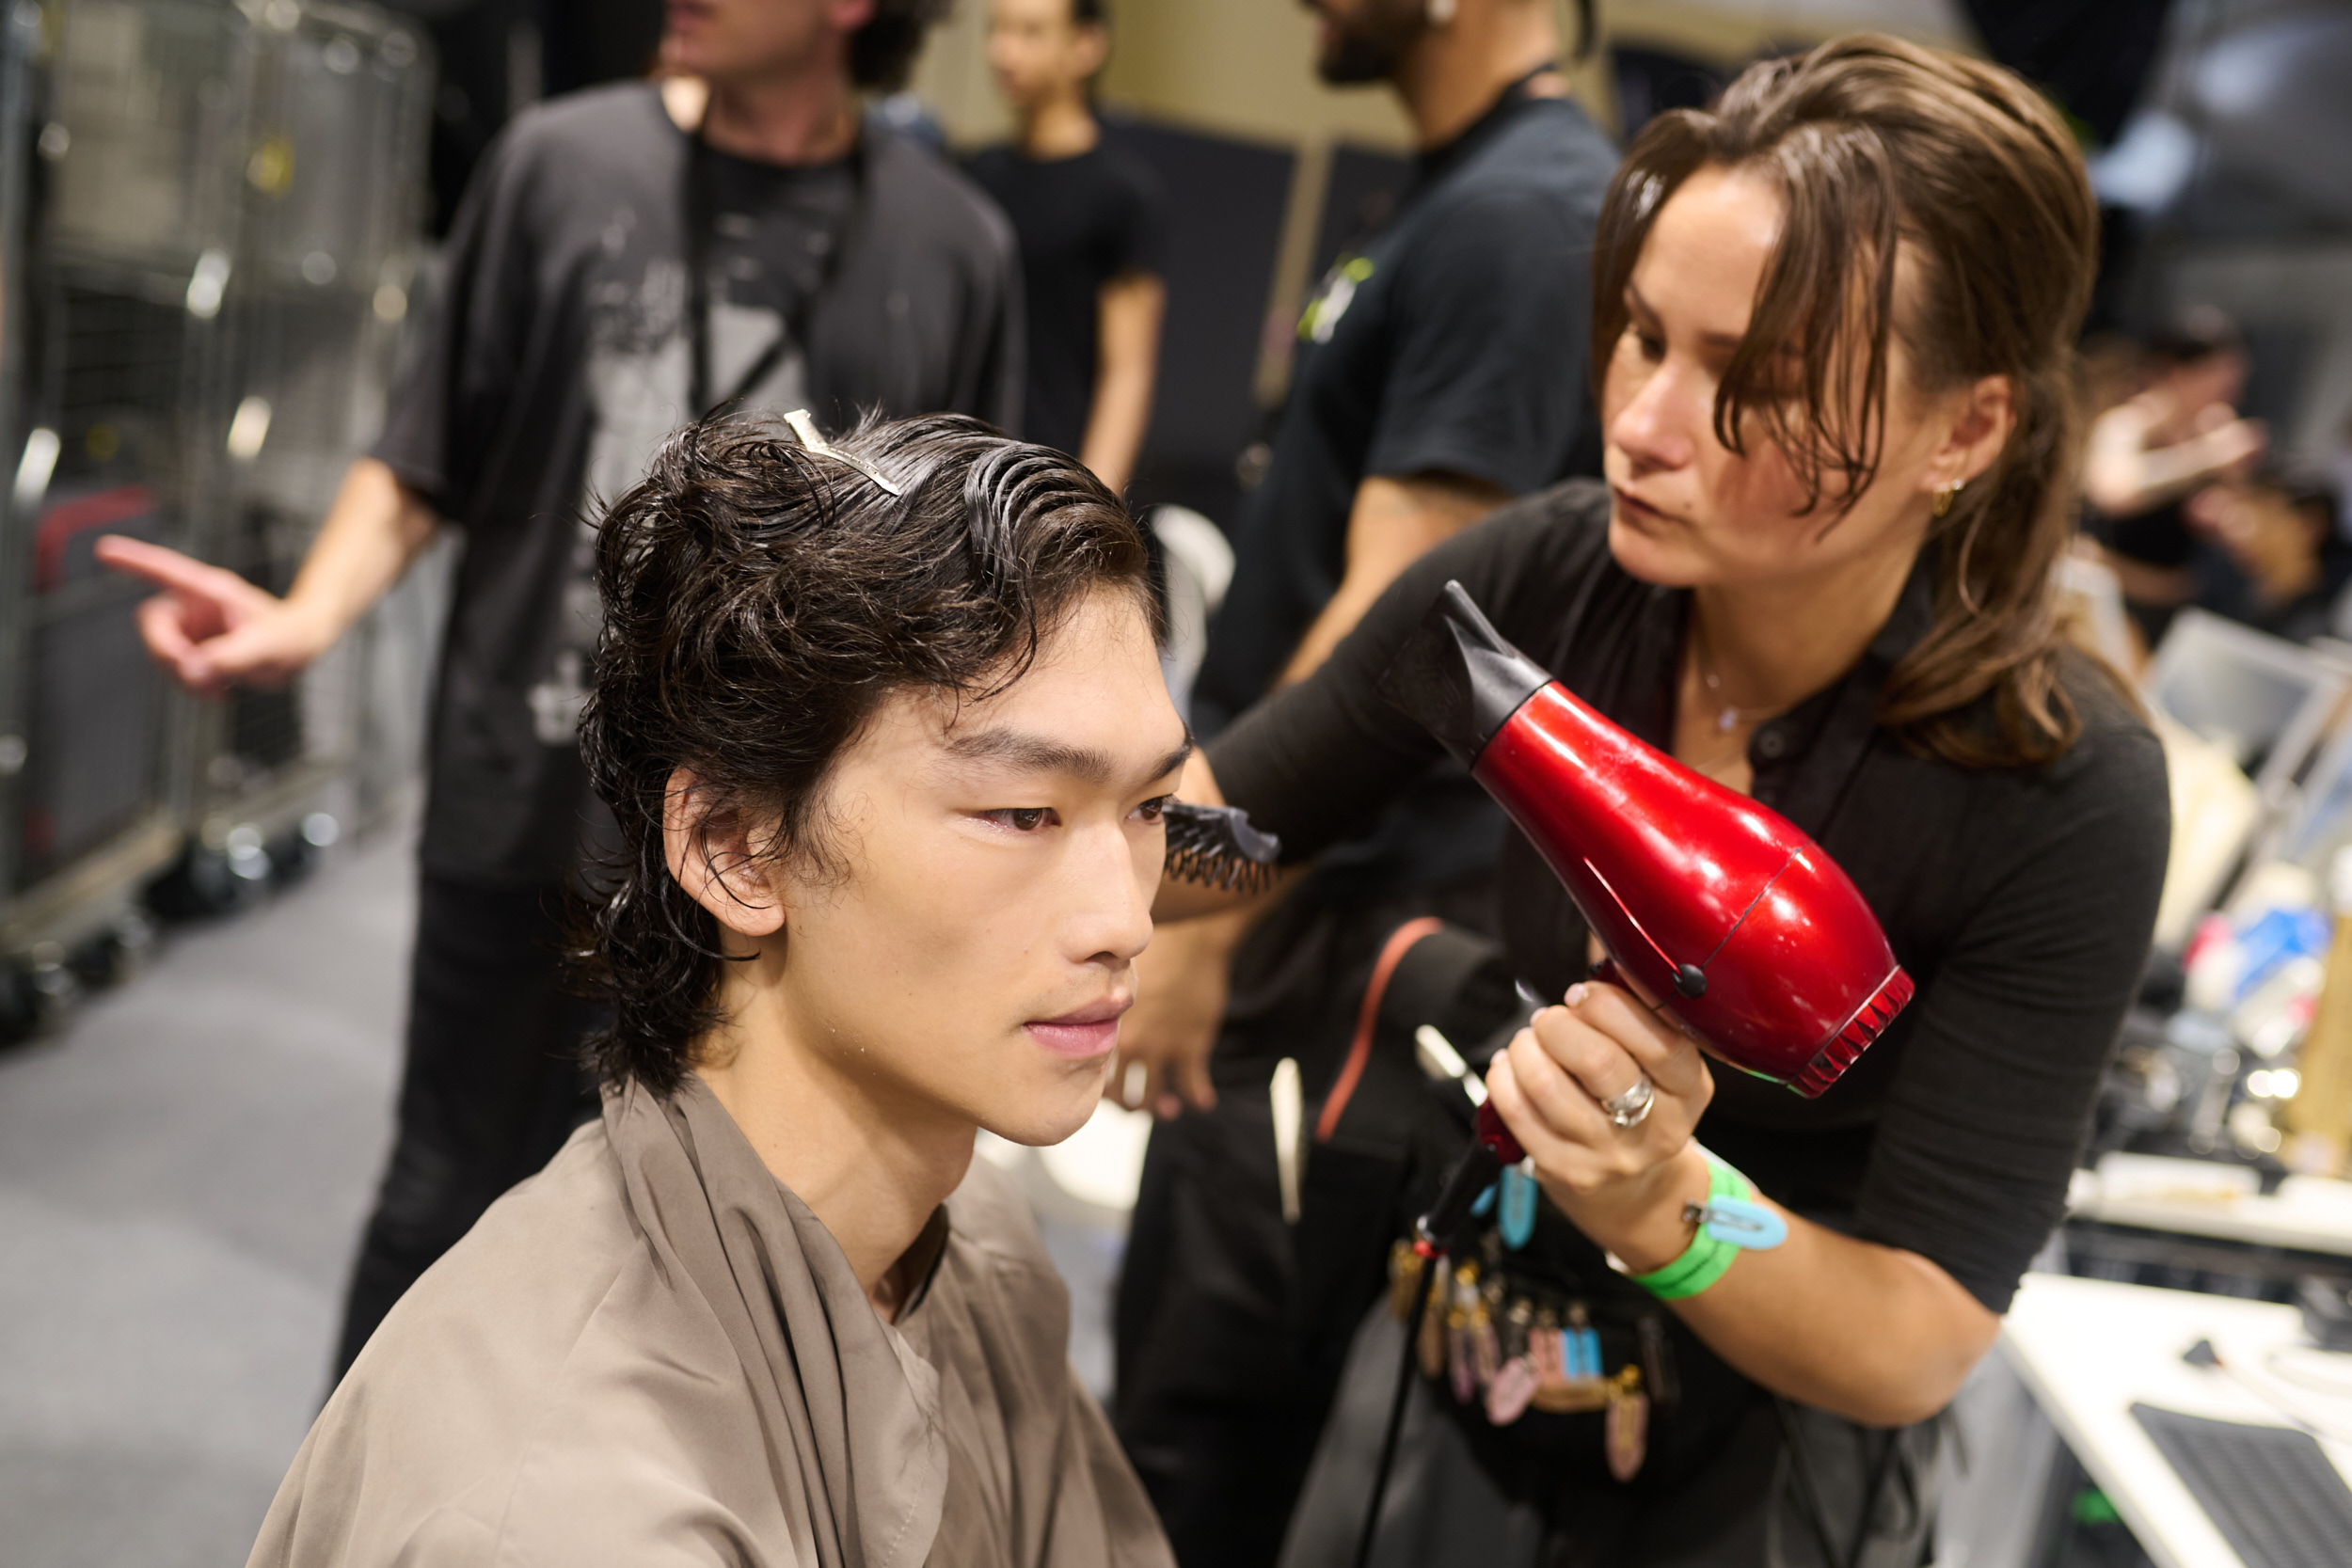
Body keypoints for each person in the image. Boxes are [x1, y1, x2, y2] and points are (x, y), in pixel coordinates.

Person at [1153, 37, 2170, 1567]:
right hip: (1480, 1375)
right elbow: (1226, 832)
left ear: (1964, 431)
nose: (1643, 422)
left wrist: (1668, 1206)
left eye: (1750, 384)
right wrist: (1077, 818)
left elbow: (1914, 1334)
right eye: (1642, 337)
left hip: (1756, 1457)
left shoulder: (2057, 783)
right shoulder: (1546, 584)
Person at [97, 0, 1018, 1378]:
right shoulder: (557, 165)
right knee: (442, 1204)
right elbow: (426, 453)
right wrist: (308, 618)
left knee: (715, 1265)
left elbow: (968, 603)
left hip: (769, 870)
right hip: (520, 817)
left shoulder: (954, 251)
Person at [246, 413, 1178, 1568]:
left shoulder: (965, 1240)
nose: (1126, 919)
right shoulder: (564, 1516)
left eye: (1149, 809)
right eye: (1021, 813)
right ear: (735, 845)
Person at [1105, 2, 1617, 1561]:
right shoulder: (1462, 194)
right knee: (1180, 1409)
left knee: (1206, 1440)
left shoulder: (1520, 223)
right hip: (1303, 905)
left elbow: (1389, 651)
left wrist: (1196, 913)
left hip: (1336, 921)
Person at [966, 0, 1167, 494]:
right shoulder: (972, 177)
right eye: (999, 29)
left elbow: (1127, 373)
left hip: (1048, 479)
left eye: (1031, 32)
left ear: (1086, 46)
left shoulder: (1120, 195)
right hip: (962, 466)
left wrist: (1088, 509)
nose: (1003, 50)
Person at [2082, 306, 2266, 647]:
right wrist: (2207, 458)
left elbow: (2245, 535)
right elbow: (2115, 492)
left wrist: (2231, 506)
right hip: (2110, 605)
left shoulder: (2213, 431)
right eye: (2222, 382)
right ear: (2176, 372)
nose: (2233, 394)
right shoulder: (2128, 425)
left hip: (2176, 612)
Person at [2185, 463, 2351, 643]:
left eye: (2262, 514)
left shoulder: (2333, 617)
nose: (2236, 530)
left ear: (2309, 525)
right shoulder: (2224, 579)